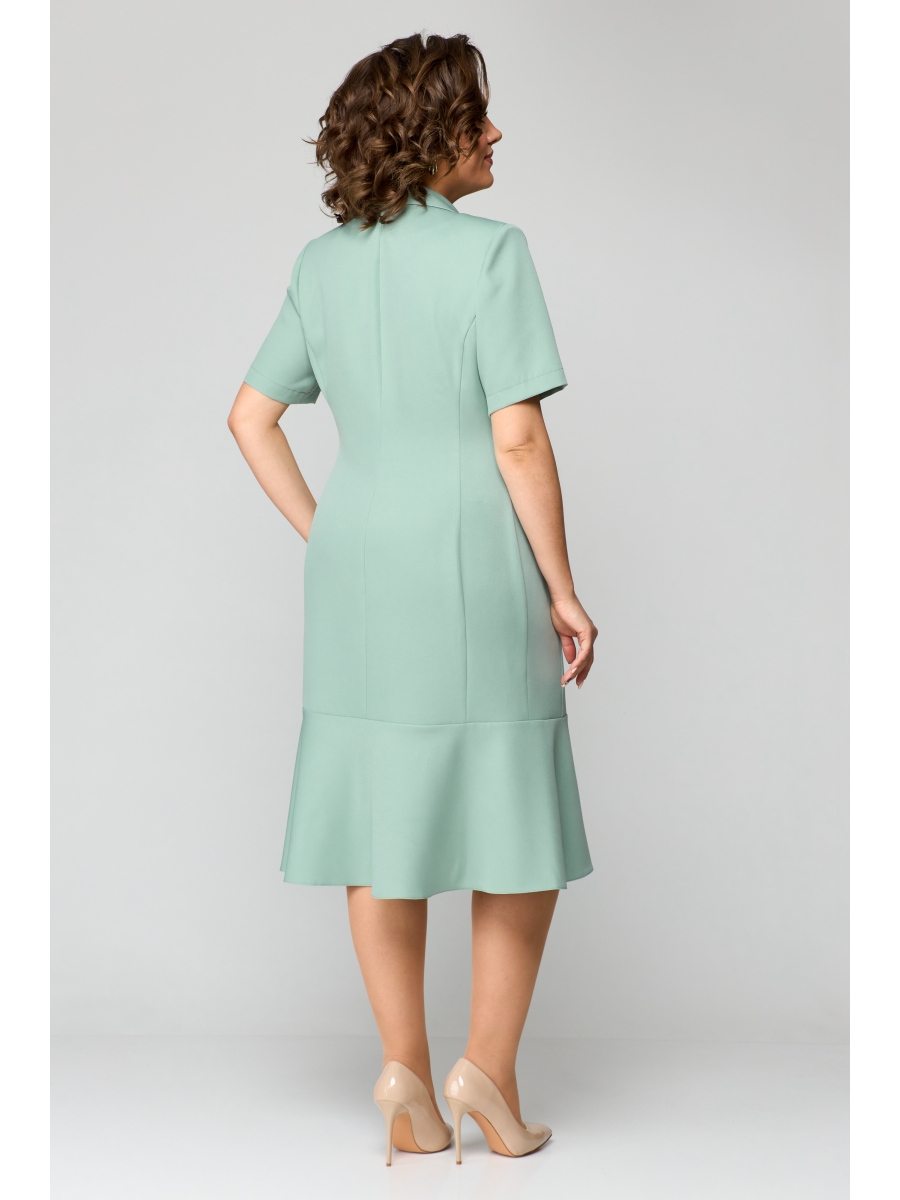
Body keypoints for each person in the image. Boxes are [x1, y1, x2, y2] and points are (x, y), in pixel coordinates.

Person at [228, 32, 596, 1165]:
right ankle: (488, 1068)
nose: (495, 133)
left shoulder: (321, 265)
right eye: (477, 117)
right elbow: (517, 437)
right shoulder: (493, 254)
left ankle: (403, 1074)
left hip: (357, 572)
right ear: (431, 134)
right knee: (512, 812)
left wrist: (326, 530)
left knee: (380, 813)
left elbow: (250, 416)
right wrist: (565, 589)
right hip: (471, 557)